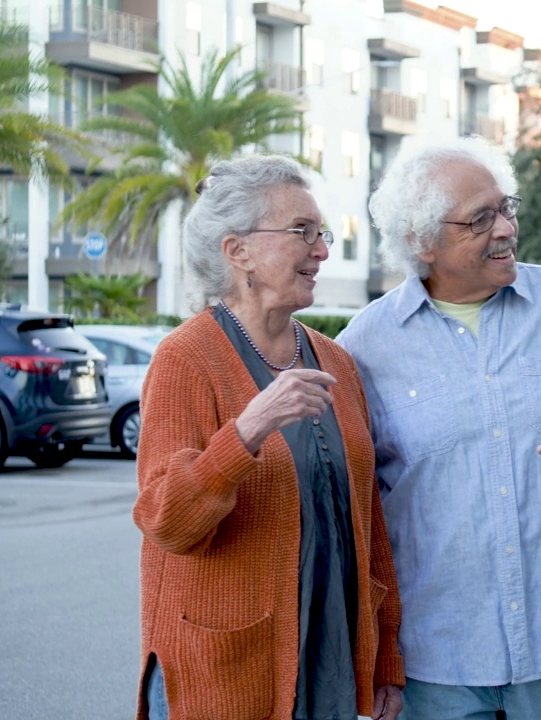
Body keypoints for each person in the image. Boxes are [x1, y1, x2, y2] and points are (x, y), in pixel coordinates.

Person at [336, 137, 541, 720]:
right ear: (420, 241)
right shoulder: (365, 346)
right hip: (435, 658)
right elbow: (357, 511)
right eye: (479, 219)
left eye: (506, 207)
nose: (505, 228)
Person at [132, 154, 405, 720]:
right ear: (238, 251)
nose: (322, 250)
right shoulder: (185, 359)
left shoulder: (335, 361)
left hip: (325, 663)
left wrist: (386, 661)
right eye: (302, 232)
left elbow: (370, 521)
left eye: (321, 233)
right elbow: (165, 520)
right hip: (222, 673)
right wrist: (248, 431)